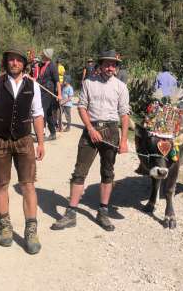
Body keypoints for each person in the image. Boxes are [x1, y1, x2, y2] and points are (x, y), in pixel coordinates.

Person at [0, 47, 45, 254]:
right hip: (0, 141)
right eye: (11, 60)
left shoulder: (33, 86)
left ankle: (31, 230)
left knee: (28, 185)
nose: (14, 63)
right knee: (2, 185)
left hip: (24, 141)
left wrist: (40, 142)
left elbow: (38, 115)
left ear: (24, 64)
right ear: (7, 63)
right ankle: (5, 226)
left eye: (18, 60)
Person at [52, 50, 130, 232]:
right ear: (101, 65)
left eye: (113, 64)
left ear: (116, 68)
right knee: (79, 172)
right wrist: (90, 128)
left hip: (111, 130)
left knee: (108, 172)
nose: (110, 67)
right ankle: (71, 213)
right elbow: (82, 107)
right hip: (91, 130)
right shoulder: (88, 83)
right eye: (107, 64)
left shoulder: (121, 87)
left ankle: (103, 212)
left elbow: (124, 115)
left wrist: (124, 140)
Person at [38, 48, 61, 141]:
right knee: (48, 113)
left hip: (48, 92)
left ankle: (41, 134)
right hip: (41, 90)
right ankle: (53, 133)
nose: (41, 55)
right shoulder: (42, 65)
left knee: (42, 111)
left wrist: (59, 94)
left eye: (43, 54)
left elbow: (57, 82)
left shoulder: (52, 66)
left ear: (47, 56)